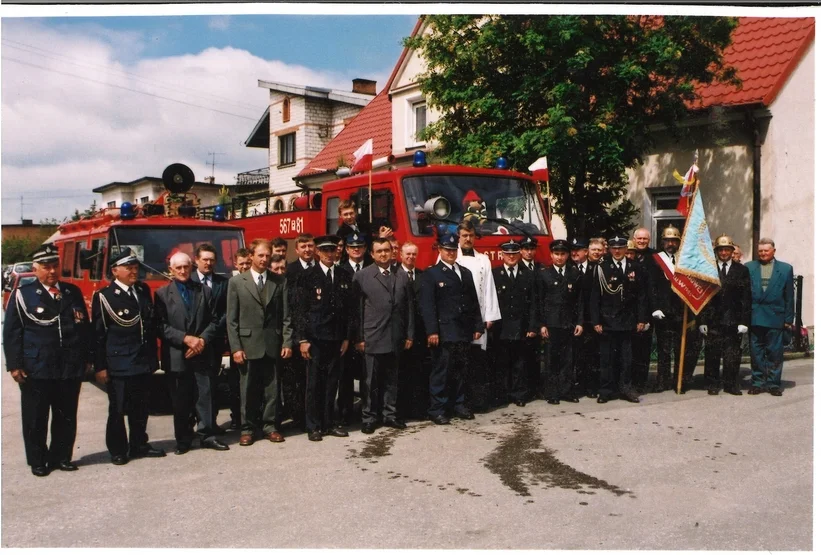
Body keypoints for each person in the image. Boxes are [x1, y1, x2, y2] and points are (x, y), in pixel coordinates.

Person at [3, 244, 92, 476]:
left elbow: (84, 329)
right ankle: (38, 460)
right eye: (46, 267)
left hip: (69, 367)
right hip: (37, 367)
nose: (52, 271)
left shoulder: (72, 292)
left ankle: (62, 457)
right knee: (36, 417)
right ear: (35, 269)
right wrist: (14, 365)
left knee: (66, 415)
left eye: (55, 266)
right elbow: (12, 332)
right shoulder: (24, 294)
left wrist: (88, 358)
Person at [92, 248, 165, 465]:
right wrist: (100, 366)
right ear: (115, 271)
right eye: (129, 268)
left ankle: (139, 444)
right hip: (119, 362)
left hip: (142, 360)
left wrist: (152, 359)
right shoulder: (104, 297)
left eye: (135, 267)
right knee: (118, 409)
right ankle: (118, 449)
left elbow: (149, 327)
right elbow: (98, 335)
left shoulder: (142, 291)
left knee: (140, 407)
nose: (134, 271)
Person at [155, 252, 228, 454]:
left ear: (191, 267)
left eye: (186, 267)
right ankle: (183, 439)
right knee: (180, 400)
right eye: (178, 268)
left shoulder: (204, 290)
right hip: (178, 355)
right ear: (171, 270)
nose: (182, 271)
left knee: (205, 396)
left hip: (202, 352)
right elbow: (160, 326)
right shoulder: (162, 294)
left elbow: (215, 320)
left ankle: (207, 435)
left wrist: (202, 340)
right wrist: (186, 339)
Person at [226, 238, 293, 446]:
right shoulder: (237, 282)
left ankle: (270, 426)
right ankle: (247, 429)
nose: (264, 259)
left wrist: (287, 342)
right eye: (260, 255)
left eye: (267, 255)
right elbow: (232, 320)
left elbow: (286, 317)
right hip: (248, 345)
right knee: (248, 390)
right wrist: (236, 348)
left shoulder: (279, 281)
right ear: (251, 256)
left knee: (272, 389)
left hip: (272, 344)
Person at [293, 235, 353, 441]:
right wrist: (302, 339)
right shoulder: (308, 276)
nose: (329, 254)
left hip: (336, 338)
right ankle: (314, 425)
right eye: (325, 250)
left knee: (332, 382)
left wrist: (346, 338)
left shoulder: (344, 275)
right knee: (314, 384)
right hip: (315, 338)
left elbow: (347, 311)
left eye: (332, 250)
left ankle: (329, 422)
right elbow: (300, 310)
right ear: (318, 252)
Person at [419, 233, 483, 425]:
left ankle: (459, 404)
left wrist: (478, 325)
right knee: (441, 371)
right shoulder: (431, 274)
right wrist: (432, 331)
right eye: (447, 250)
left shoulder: (465, 272)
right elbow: (428, 306)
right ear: (440, 250)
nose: (451, 253)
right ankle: (437, 409)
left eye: (453, 250)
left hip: (463, 330)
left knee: (461, 370)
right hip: (444, 331)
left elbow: (473, 302)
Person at [352, 237, 414, 433]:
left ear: (392, 252)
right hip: (372, 337)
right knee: (370, 381)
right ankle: (369, 417)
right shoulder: (362, 276)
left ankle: (390, 415)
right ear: (372, 254)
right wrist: (359, 338)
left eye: (386, 250)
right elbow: (357, 311)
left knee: (392, 379)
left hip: (395, 336)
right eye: (379, 251)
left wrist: (409, 335)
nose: (383, 254)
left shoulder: (402, 275)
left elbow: (409, 308)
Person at [590, 236, 649, 404]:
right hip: (607, 321)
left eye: (621, 248)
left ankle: (626, 388)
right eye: (614, 248)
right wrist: (596, 321)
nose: (617, 251)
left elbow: (641, 296)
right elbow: (595, 297)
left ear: (626, 249)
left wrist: (641, 318)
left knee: (626, 359)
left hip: (628, 321)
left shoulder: (635, 267)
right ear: (609, 250)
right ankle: (605, 391)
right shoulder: (602, 268)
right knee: (606, 359)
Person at [454, 221, 500, 412]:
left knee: (478, 362)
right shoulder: (449, 257)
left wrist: (489, 316)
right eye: (464, 235)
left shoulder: (483, 260)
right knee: (459, 363)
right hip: (459, 321)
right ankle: (460, 403)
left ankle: (478, 402)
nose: (468, 239)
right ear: (459, 236)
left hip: (480, 319)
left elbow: (489, 289)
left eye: (471, 235)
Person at [698, 235, 752, 396]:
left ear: (731, 251)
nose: (723, 252)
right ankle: (713, 384)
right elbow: (703, 297)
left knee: (732, 355)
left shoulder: (742, 270)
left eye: (726, 249)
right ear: (716, 251)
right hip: (713, 320)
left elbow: (746, 297)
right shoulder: (708, 268)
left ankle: (731, 384)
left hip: (733, 320)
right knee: (712, 354)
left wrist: (744, 322)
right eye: (720, 250)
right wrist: (702, 321)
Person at [650, 225, 700, 392]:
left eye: (673, 240)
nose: (670, 243)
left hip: (681, 311)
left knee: (681, 348)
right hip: (663, 312)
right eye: (667, 240)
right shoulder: (655, 259)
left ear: (678, 242)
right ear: (662, 242)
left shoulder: (685, 260)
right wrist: (656, 308)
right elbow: (652, 287)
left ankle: (680, 381)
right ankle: (662, 381)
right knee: (664, 350)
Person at [536, 239, 584, 405]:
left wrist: (579, 322)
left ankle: (567, 391)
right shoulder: (544, 273)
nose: (560, 257)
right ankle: (552, 392)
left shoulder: (574, 273)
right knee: (552, 359)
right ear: (551, 254)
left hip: (569, 323)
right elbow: (540, 301)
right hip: (551, 324)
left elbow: (579, 301)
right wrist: (541, 324)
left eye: (563, 254)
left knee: (568, 359)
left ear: (567, 255)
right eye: (557, 254)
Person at [491, 240, 538, 407]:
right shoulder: (495, 274)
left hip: (521, 326)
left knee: (520, 362)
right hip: (501, 327)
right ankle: (503, 394)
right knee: (502, 362)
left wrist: (532, 326)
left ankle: (519, 394)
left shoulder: (528, 274)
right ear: (502, 255)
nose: (511, 257)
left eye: (514, 253)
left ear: (519, 254)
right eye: (508, 254)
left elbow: (534, 303)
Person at [745, 238, 794, 396]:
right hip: (755, 316)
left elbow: (789, 296)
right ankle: (758, 383)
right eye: (760, 251)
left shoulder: (785, 269)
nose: (763, 253)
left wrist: (788, 320)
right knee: (756, 352)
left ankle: (773, 384)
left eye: (766, 250)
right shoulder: (749, 267)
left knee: (774, 352)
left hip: (775, 317)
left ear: (773, 250)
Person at [191, 244, 230, 432]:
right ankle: (192, 425)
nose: (208, 263)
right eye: (205, 259)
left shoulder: (223, 283)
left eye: (212, 260)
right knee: (192, 387)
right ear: (196, 260)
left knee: (212, 385)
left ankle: (211, 423)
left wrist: (207, 336)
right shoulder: (188, 280)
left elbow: (224, 313)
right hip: (191, 343)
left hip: (213, 342)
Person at [336, 232, 371, 425]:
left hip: (369, 330)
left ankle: (367, 413)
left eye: (360, 247)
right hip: (348, 332)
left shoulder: (372, 268)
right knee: (346, 376)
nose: (356, 250)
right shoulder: (341, 271)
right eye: (352, 247)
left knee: (368, 376)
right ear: (347, 249)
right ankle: (345, 413)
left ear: (365, 249)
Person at [282, 233, 315, 429]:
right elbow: (292, 308)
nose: (307, 250)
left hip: (317, 334)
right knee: (298, 380)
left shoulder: (321, 269)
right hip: (298, 334)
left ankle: (314, 416)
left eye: (310, 246)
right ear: (297, 250)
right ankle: (300, 418)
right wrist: (300, 337)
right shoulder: (290, 272)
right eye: (303, 247)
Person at [397, 241, 428, 420]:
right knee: (401, 372)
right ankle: (402, 411)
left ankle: (417, 409)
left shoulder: (422, 276)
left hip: (419, 332)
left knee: (418, 371)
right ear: (401, 255)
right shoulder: (394, 275)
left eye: (413, 254)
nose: (410, 257)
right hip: (401, 333)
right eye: (407, 254)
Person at [629, 228, 660, 394]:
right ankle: (629, 381)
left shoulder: (655, 257)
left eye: (644, 239)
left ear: (649, 240)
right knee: (629, 349)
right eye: (639, 238)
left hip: (647, 310)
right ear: (634, 239)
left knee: (644, 349)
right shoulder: (626, 253)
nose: (641, 241)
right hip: (627, 312)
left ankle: (641, 382)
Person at [570, 237, 598, 398]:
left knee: (591, 354)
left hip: (590, 318)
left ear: (586, 252)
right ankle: (577, 385)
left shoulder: (595, 268)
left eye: (578, 250)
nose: (574, 253)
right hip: (573, 319)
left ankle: (591, 386)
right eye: (572, 250)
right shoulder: (567, 268)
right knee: (575, 354)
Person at [518, 235, 543, 399]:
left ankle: (536, 389)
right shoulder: (516, 267)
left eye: (532, 249)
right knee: (522, 358)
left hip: (539, 319)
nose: (529, 252)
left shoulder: (541, 268)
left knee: (536, 357)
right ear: (521, 250)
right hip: (522, 321)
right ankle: (524, 390)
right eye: (526, 249)